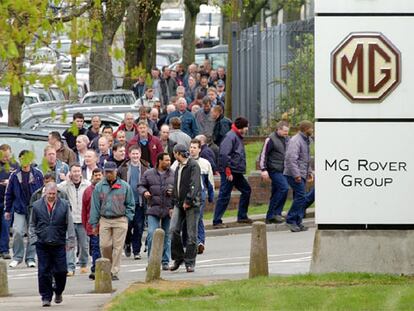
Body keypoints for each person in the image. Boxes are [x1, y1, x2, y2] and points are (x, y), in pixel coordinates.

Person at [29, 182, 75, 307]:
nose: (51, 196)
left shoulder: (64, 205)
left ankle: (59, 291)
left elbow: (69, 224)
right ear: (45, 192)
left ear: (57, 193)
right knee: (44, 271)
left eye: (53, 194)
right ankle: (46, 297)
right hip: (42, 243)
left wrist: (71, 240)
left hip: (59, 242)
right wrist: (33, 239)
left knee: (61, 271)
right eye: (49, 193)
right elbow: (32, 224)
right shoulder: (37, 206)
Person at [90, 161, 135, 280]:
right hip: (105, 219)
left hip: (120, 219)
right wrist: (94, 224)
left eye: (110, 172)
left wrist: (128, 217)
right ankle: (108, 265)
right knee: (104, 245)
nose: (108, 174)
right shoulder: (99, 187)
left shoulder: (124, 186)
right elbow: (95, 206)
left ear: (116, 172)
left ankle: (114, 271)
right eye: (106, 172)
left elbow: (131, 203)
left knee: (118, 247)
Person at [5, 150, 43, 268]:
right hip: (19, 209)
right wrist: (7, 210)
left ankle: (30, 258)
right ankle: (17, 257)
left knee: (32, 233)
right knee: (17, 232)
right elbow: (9, 193)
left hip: (34, 208)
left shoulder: (38, 174)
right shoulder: (14, 175)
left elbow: (43, 191)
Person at [213, 117, 252, 228]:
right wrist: (228, 171)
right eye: (246, 127)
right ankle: (217, 221)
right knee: (224, 195)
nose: (247, 129)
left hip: (235, 171)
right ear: (241, 127)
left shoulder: (235, 136)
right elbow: (224, 154)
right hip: (230, 171)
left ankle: (242, 216)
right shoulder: (231, 137)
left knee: (246, 190)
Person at [139, 152, 174, 271]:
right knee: (151, 234)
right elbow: (140, 185)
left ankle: (165, 261)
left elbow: (178, 189)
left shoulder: (173, 174)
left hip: (168, 208)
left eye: (169, 160)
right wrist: (144, 192)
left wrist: (173, 193)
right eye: (166, 160)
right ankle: (152, 261)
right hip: (153, 208)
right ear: (159, 161)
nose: (169, 162)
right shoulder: (148, 173)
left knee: (167, 236)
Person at [169, 144, 201, 273]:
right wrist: (173, 203)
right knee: (173, 230)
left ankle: (190, 262)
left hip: (191, 204)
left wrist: (188, 200)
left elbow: (194, 184)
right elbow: (177, 186)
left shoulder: (193, 165)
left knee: (191, 234)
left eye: (174, 153)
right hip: (178, 203)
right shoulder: (178, 167)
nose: (173, 155)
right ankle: (178, 257)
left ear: (178, 153)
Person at [58, 163, 91, 276]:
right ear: (70, 173)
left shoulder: (87, 184)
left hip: (83, 219)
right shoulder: (64, 185)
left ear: (81, 172)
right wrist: (67, 181)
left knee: (84, 244)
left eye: (78, 171)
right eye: (74, 171)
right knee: (70, 244)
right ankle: (70, 267)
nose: (76, 174)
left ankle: (83, 264)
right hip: (70, 220)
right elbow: (54, 190)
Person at [284, 120, 315, 232]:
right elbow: (291, 159)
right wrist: (296, 175)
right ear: (306, 129)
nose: (313, 130)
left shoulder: (305, 140)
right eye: (311, 128)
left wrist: (309, 172)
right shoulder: (296, 140)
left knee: (300, 197)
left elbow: (305, 159)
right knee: (301, 196)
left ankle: (298, 221)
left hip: (301, 173)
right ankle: (291, 220)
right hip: (293, 174)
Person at [118, 145, 147, 259]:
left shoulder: (146, 168)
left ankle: (136, 251)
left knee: (139, 227)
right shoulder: (123, 168)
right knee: (127, 226)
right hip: (126, 203)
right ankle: (127, 243)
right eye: (133, 154)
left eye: (137, 154)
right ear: (129, 155)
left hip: (140, 202)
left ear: (140, 154)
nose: (135, 156)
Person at [259, 121, 290, 224]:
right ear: (279, 129)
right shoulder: (270, 139)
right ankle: (276, 213)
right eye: (285, 131)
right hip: (274, 169)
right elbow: (263, 155)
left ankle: (270, 217)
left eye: (287, 131)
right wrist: (263, 169)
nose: (286, 133)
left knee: (276, 192)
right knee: (284, 188)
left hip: (283, 169)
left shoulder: (286, 139)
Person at [189, 139, 214, 254]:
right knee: (191, 219)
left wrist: (211, 196)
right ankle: (192, 241)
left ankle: (199, 242)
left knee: (198, 217)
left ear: (199, 149)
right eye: (191, 147)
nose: (192, 150)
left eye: (195, 147)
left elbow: (210, 181)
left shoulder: (205, 163)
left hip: (201, 195)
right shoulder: (184, 162)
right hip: (187, 195)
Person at [81, 168, 103, 280]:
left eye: (100, 175)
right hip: (93, 225)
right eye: (96, 175)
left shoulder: (106, 189)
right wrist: (86, 225)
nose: (98, 177)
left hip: (105, 224)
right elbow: (84, 210)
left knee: (104, 247)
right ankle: (95, 269)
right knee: (95, 247)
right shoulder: (88, 191)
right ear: (92, 177)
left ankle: (104, 268)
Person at [0, 144, 18, 259]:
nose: (5, 158)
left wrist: (10, 182)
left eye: (7, 156)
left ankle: (4, 249)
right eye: (3, 156)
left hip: (8, 201)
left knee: (5, 225)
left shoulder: (15, 165)